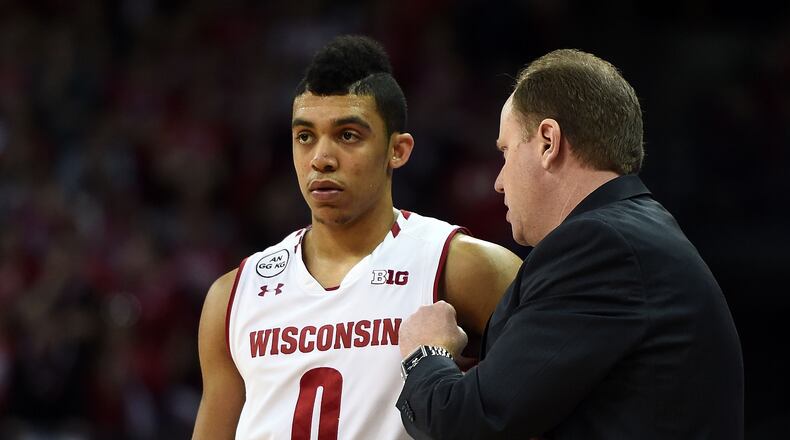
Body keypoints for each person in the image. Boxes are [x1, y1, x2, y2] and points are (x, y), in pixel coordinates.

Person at [396, 49, 744, 439]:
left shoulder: (599, 246)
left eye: (506, 152)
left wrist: (424, 352)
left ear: (548, 142)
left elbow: (465, 423)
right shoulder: (635, 233)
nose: (498, 182)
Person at [191, 35, 522, 440]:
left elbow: (539, 413)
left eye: (347, 135)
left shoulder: (464, 266)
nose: (321, 158)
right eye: (305, 136)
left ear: (397, 150)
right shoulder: (233, 295)